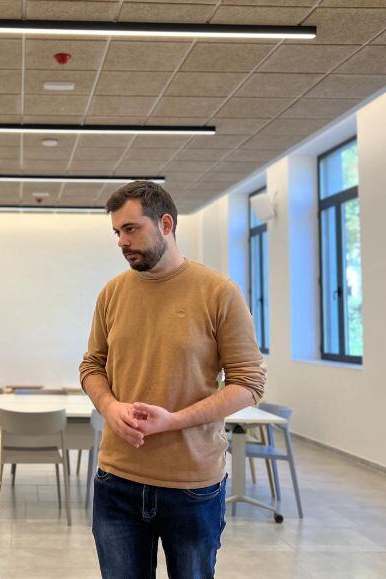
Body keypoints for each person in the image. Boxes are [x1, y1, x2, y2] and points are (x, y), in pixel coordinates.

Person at [79, 181, 266, 579]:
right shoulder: (112, 293)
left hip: (192, 486)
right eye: (117, 232)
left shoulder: (219, 293)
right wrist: (110, 407)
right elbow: (92, 366)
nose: (121, 242)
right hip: (117, 481)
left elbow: (249, 383)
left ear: (166, 224)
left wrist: (174, 420)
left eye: (131, 229)